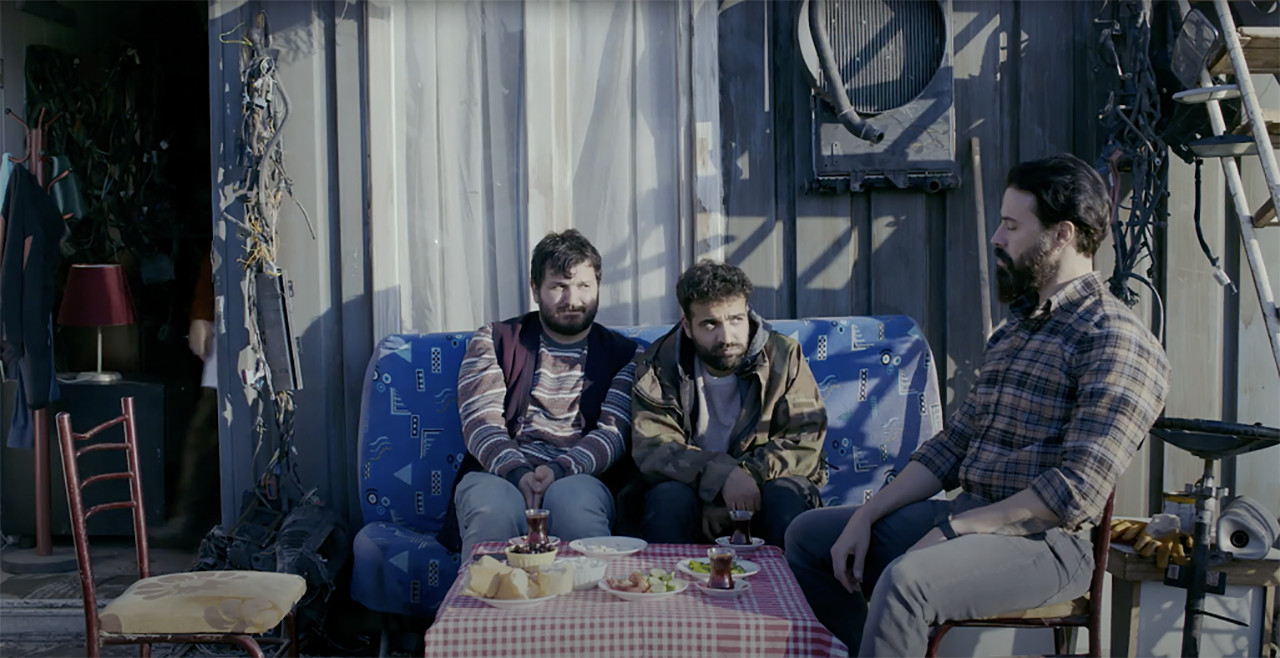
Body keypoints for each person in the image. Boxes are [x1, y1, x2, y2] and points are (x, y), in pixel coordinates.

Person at [784, 153, 1171, 656]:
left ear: (1062, 235)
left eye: (1012, 225)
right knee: (810, 536)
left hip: (1048, 543)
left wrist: (954, 528)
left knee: (907, 582)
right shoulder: (1015, 330)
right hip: (971, 513)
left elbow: (1075, 491)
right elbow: (954, 445)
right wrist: (866, 513)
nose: (996, 237)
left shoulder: (1114, 338)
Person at [446, 229, 642, 560]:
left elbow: (614, 433)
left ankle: (587, 596)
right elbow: (480, 422)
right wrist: (518, 471)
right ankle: (487, 595)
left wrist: (560, 470)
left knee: (573, 504)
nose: (572, 299)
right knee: (495, 508)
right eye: (558, 286)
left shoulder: (626, 355)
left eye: (584, 286)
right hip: (497, 472)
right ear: (535, 290)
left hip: (582, 476)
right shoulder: (494, 340)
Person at [630, 260, 827, 548]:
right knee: (668, 499)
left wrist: (744, 479)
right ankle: (668, 579)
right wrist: (720, 480)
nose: (726, 337)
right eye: (710, 324)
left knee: (786, 494)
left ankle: (787, 580)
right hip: (693, 497)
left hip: (763, 492)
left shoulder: (784, 357)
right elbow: (653, 448)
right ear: (687, 326)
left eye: (736, 320)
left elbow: (804, 440)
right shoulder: (660, 365)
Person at [152, 247, 221, 549]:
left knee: (209, 431)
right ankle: (191, 520)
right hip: (226, 324)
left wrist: (201, 313)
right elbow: (216, 254)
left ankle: (192, 520)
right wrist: (202, 313)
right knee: (206, 431)